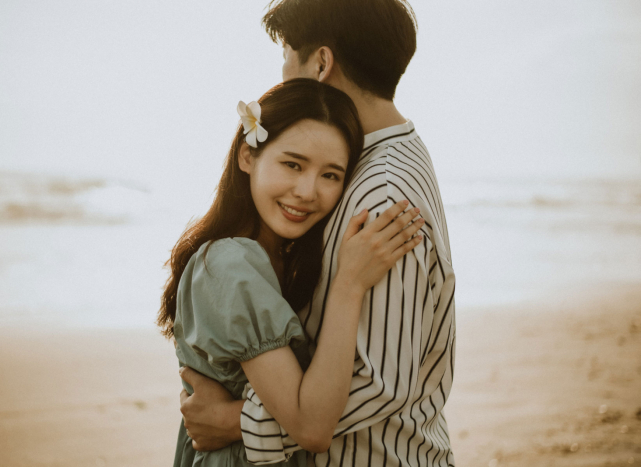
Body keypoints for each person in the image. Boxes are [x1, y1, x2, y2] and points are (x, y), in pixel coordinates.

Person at [178, 1, 457, 466]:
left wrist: (233, 422)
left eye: (287, 56)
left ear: (321, 63)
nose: (284, 75)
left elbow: (377, 379)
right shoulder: (384, 160)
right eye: (293, 164)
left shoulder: (381, 197)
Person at [158, 78, 425, 466]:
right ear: (247, 157)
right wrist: (349, 284)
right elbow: (312, 427)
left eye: (330, 175)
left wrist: (230, 419)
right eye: (292, 164)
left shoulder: (286, 258)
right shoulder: (230, 265)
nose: (306, 190)